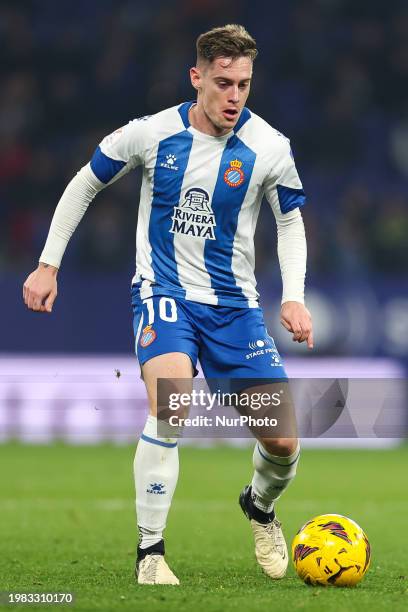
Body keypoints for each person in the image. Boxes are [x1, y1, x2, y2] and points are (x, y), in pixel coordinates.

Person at [23, 24, 313, 586]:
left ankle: (259, 506)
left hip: (235, 308)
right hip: (165, 293)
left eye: (244, 85)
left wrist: (294, 297)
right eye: (223, 83)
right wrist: (48, 262)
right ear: (196, 77)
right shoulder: (152, 134)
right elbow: (86, 183)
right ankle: (150, 554)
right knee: (172, 401)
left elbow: (291, 222)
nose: (234, 97)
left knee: (282, 444)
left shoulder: (270, 149)